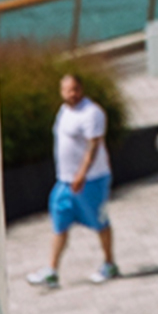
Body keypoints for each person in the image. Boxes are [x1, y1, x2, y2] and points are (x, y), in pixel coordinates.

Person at [31, 70, 123, 285]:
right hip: (64, 181)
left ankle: (110, 263)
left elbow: (94, 145)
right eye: (66, 90)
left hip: (91, 179)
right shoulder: (64, 111)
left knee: (99, 221)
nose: (71, 94)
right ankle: (52, 270)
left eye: (74, 89)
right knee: (59, 222)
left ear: (81, 89)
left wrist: (81, 174)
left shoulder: (92, 113)